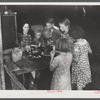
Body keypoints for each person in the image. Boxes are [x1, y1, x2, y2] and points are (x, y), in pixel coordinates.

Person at [69, 25, 92, 90]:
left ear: (74, 36)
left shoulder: (76, 45)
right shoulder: (85, 41)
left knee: (79, 85)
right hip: (85, 65)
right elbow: (90, 51)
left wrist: (71, 55)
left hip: (79, 67)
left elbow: (76, 59)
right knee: (83, 81)